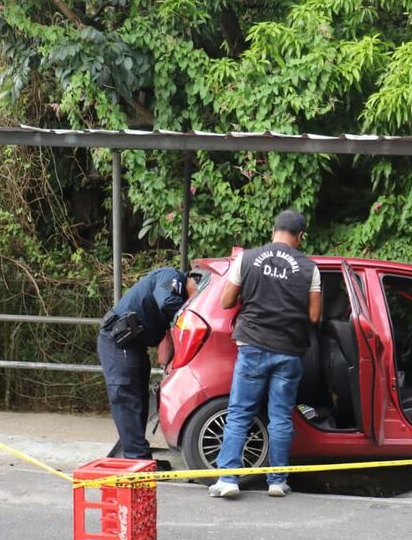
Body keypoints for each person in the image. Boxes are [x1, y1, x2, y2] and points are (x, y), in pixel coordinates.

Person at [210, 209, 322, 499]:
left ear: (273, 230)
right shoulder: (310, 268)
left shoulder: (246, 259)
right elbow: (314, 316)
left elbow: (226, 301)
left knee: (239, 413)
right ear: (300, 237)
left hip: (253, 346)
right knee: (281, 418)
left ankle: (228, 479)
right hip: (289, 350)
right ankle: (277, 482)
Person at [98, 267, 196, 467]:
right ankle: (137, 460)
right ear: (192, 279)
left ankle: (139, 458)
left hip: (134, 343)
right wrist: (194, 317)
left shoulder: (176, 292)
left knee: (141, 399)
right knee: (127, 399)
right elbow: (167, 301)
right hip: (119, 341)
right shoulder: (172, 278)